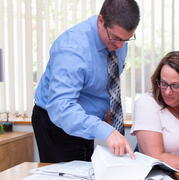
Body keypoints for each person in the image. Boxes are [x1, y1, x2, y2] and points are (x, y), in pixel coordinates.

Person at [32, 0, 140, 163]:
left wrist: (105, 109)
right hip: (57, 122)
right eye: (115, 38)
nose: (119, 46)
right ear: (101, 21)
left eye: (125, 40)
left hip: (86, 119)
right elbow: (61, 107)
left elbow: (106, 79)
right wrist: (105, 130)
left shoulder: (117, 40)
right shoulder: (72, 49)